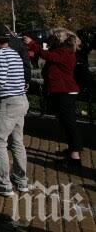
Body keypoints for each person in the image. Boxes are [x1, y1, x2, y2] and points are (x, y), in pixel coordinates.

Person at [0, 24, 29, 196]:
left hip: (7, 102)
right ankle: (21, 180)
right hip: (20, 100)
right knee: (17, 141)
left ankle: (3, 183)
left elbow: (0, 80)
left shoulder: (0, 56)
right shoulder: (14, 54)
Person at [39, 28, 82, 168]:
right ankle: (72, 150)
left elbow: (49, 56)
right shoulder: (64, 50)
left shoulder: (64, 52)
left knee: (69, 123)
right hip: (63, 90)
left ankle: (75, 156)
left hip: (66, 91)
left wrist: (34, 44)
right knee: (67, 122)